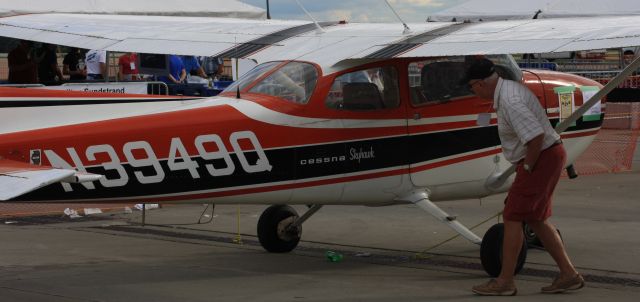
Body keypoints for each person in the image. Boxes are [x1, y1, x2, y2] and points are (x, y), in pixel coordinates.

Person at [464, 58, 584, 296]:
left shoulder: (510, 100)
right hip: (547, 155)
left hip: (540, 156)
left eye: (470, 87)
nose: (472, 92)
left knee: (513, 216)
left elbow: (536, 137)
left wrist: (528, 167)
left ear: (479, 84)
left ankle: (505, 281)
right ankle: (568, 274)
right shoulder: (508, 89)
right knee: (536, 218)